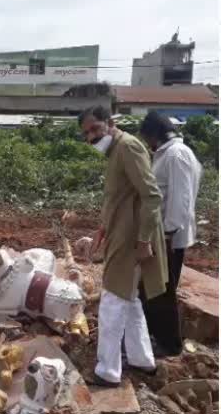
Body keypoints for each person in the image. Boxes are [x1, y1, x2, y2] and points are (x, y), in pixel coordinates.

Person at [78, 106, 168, 387]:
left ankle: (107, 371)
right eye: (86, 133)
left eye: (95, 128)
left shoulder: (128, 147)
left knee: (112, 303)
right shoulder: (116, 151)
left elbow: (152, 196)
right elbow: (118, 199)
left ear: (111, 122)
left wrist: (143, 241)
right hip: (121, 235)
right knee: (129, 302)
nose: (91, 136)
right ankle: (142, 360)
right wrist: (102, 230)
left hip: (131, 241)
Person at [138, 112, 203, 357]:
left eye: (148, 138)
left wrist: (167, 234)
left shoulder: (177, 155)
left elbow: (180, 201)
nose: (148, 144)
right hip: (162, 234)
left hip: (169, 237)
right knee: (154, 289)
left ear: (156, 134)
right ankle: (155, 337)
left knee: (163, 292)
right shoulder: (168, 154)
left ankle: (170, 345)